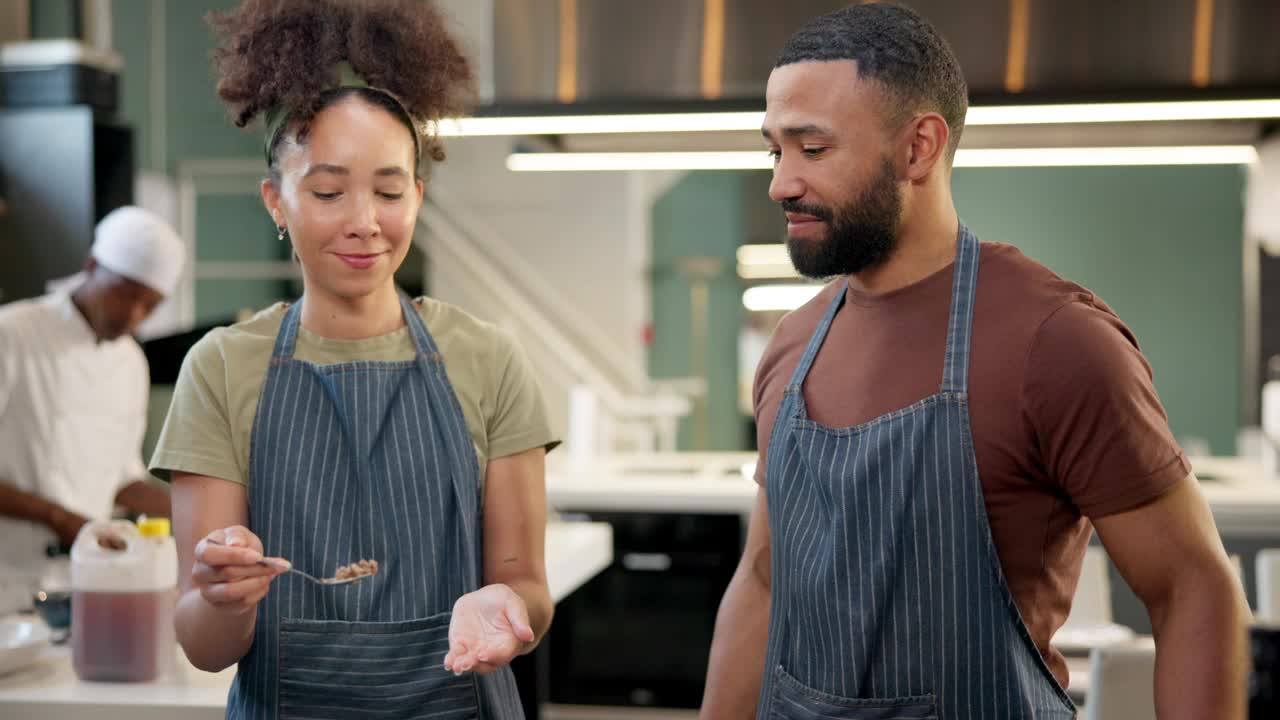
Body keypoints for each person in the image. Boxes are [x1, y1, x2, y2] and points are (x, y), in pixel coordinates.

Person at [700, 4, 1251, 719]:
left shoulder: (1056, 341)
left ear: (919, 148)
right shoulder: (792, 346)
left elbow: (1192, 586)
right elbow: (766, 577)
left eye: (812, 148)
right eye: (775, 150)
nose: (780, 183)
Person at [149, 2, 557, 718]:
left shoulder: (488, 358)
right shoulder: (219, 368)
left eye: (390, 191)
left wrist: (507, 605)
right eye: (329, 191)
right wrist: (222, 597)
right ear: (277, 202)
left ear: (418, 197)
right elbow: (205, 644)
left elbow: (527, 587)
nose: (365, 221)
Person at [0, 206, 182, 614]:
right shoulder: (13, 333)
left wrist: (196, 509)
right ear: (92, 265)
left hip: (86, 585)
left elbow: (120, 479)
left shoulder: (132, 363)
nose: (133, 315)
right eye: (125, 293)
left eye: (150, 306)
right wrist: (58, 517)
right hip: (7, 584)